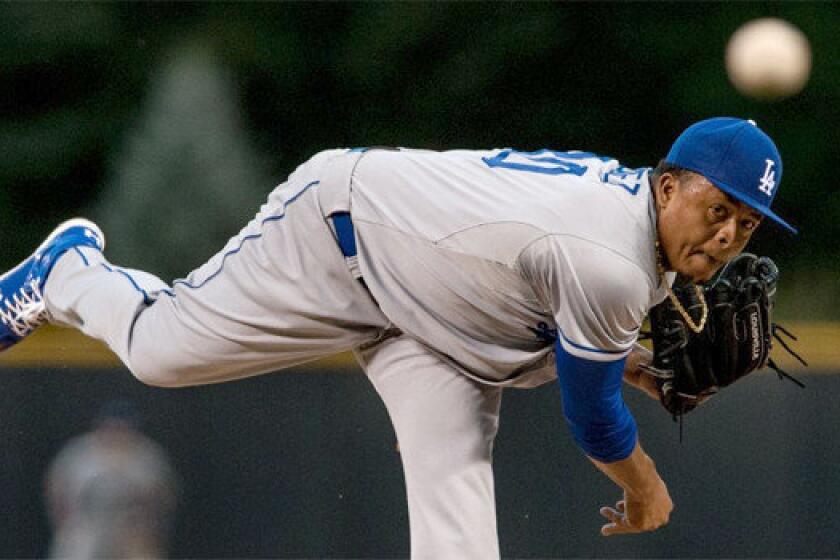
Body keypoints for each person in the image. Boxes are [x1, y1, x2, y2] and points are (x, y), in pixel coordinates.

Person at [0, 117, 793, 559]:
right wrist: (644, 487)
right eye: (713, 207)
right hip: (339, 235)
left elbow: (566, 309)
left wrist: (648, 375)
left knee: (457, 520)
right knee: (158, 353)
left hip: (440, 326)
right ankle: (70, 271)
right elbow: (591, 417)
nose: (725, 234)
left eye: (744, 223)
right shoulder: (613, 261)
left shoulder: (634, 239)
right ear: (666, 184)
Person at [44, 401, 179, 559]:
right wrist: (65, 524)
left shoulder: (147, 454)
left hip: (131, 525)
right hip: (86, 522)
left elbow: (161, 496)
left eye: (122, 427)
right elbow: (56, 489)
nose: (117, 432)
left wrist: (150, 529)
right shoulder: (79, 452)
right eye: (112, 426)